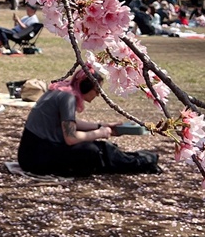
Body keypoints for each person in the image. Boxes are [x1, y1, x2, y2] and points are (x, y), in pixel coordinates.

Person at [16, 68, 160, 177]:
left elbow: (69, 123)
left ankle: (143, 159)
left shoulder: (60, 90)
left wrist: (102, 126)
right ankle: (144, 162)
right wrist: (100, 133)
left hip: (30, 154)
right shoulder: (68, 98)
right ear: (85, 87)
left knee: (101, 149)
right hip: (38, 158)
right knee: (94, 151)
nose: (97, 94)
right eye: (96, 90)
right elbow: (71, 137)